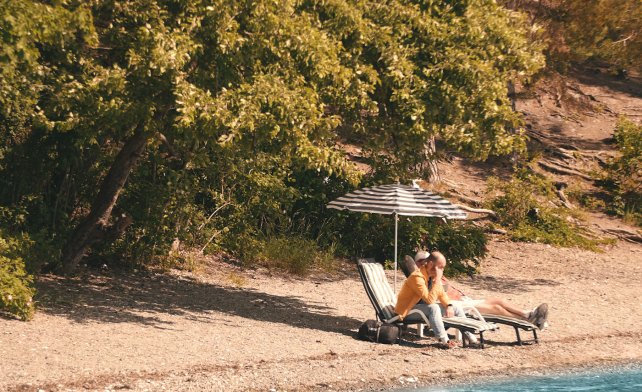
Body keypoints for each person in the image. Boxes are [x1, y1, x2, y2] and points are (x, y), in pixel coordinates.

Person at [405, 251, 549, 330]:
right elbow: (431, 298)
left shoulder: (433, 275)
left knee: (500, 300)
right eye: (421, 261)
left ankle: (528, 314)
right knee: (495, 308)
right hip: (456, 306)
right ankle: (528, 320)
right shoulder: (420, 279)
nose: (426, 262)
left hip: (463, 300)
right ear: (417, 264)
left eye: (427, 259)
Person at [394, 250, 477, 349]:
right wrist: (438, 279)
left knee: (456, 307)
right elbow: (430, 301)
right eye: (440, 267)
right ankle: (444, 340)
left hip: (421, 308)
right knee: (433, 308)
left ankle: (471, 338)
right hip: (407, 311)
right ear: (430, 264)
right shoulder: (417, 277)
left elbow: (442, 294)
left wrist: (449, 306)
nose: (441, 271)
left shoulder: (431, 276)